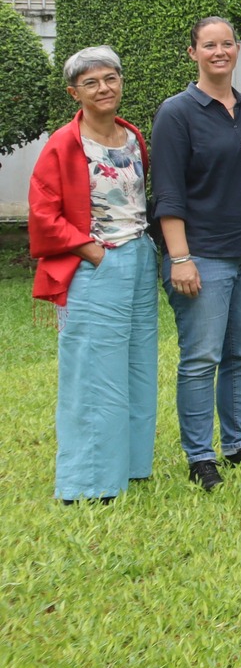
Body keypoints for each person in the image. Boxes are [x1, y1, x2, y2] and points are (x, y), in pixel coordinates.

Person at [153, 16, 241, 490]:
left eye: (226, 44)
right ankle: (200, 457)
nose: (219, 52)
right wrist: (180, 257)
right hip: (203, 254)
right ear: (193, 53)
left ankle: (237, 444)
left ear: (236, 50)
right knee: (201, 357)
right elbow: (167, 192)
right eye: (208, 45)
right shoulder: (177, 113)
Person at [29, 47, 156, 503]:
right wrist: (89, 249)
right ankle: (87, 481)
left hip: (140, 258)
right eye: (91, 82)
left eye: (111, 78)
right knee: (92, 370)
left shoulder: (132, 136)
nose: (104, 88)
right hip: (96, 262)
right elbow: (43, 213)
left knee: (138, 365)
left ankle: (132, 465)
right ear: (74, 92)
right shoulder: (65, 143)